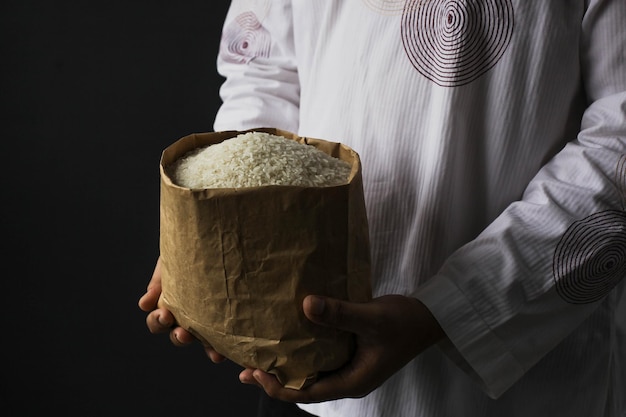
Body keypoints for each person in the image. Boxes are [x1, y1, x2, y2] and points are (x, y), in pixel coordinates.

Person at [139, 1, 626, 416]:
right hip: (300, 362)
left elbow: (617, 140)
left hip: (511, 385)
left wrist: (444, 312)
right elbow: (264, 65)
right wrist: (218, 231)